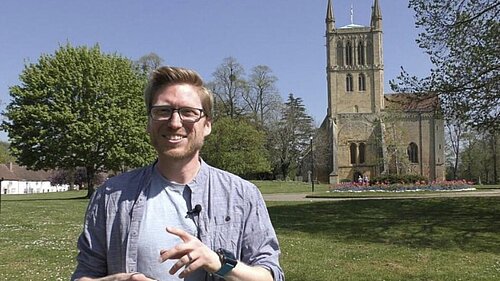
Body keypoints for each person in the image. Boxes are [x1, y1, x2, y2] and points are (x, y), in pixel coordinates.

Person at [71, 66, 284, 281]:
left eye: (188, 112)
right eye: (163, 111)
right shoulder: (110, 196)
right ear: (149, 122)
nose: (174, 123)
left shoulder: (242, 195)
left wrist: (219, 264)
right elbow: (85, 275)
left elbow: (270, 275)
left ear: (207, 125)